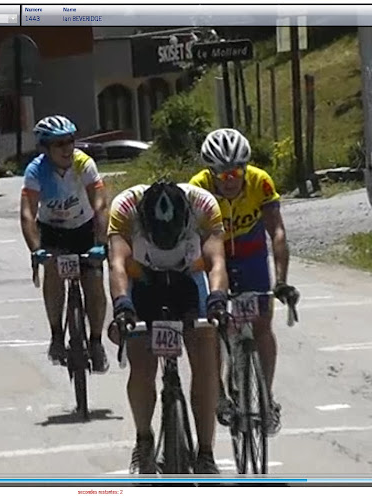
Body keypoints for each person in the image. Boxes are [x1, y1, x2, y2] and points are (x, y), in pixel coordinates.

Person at [107, 180, 229, 475]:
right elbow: (117, 264)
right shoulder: (124, 208)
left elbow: (216, 261)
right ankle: (143, 440)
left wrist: (217, 299)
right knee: (141, 364)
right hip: (143, 278)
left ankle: (206, 453)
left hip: (188, 278)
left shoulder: (203, 205)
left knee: (206, 359)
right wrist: (122, 305)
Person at [189, 128, 300, 436]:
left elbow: (277, 233)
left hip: (251, 256)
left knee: (262, 325)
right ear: (211, 173)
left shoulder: (260, 182)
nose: (230, 180)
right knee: (211, 328)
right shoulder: (197, 188)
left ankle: (266, 399)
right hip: (213, 256)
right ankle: (219, 393)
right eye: (222, 175)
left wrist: (281, 281)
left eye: (236, 172)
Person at [19, 115, 109, 372]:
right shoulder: (36, 171)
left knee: (94, 280)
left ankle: (96, 341)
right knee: (53, 274)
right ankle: (57, 335)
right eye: (59, 144)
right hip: (53, 231)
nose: (67, 148)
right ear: (45, 148)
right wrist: (36, 250)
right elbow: (27, 214)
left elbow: (101, 205)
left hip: (84, 229)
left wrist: (101, 242)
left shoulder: (84, 164)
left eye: (70, 141)